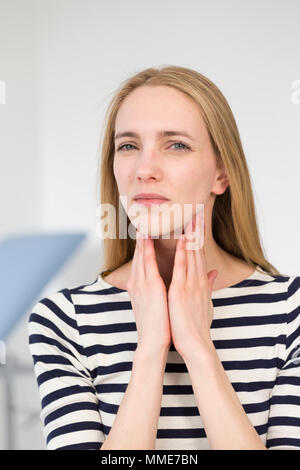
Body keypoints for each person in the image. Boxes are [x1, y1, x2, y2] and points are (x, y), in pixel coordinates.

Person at [28, 65, 300, 450]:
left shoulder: (292, 311)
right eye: (128, 146)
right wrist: (152, 345)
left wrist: (197, 346)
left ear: (221, 174)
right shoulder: (64, 320)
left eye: (176, 145)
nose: (145, 169)